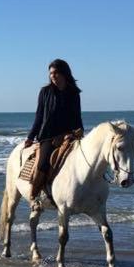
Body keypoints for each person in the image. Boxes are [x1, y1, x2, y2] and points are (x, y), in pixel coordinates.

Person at [24, 58, 84, 200]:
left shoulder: (73, 93)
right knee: (43, 163)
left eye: (56, 73)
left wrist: (79, 131)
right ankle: (34, 196)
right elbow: (39, 116)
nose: (53, 76)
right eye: (51, 73)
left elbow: (77, 116)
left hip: (69, 134)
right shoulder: (45, 92)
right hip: (48, 136)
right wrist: (30, 137)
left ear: (64, 74)